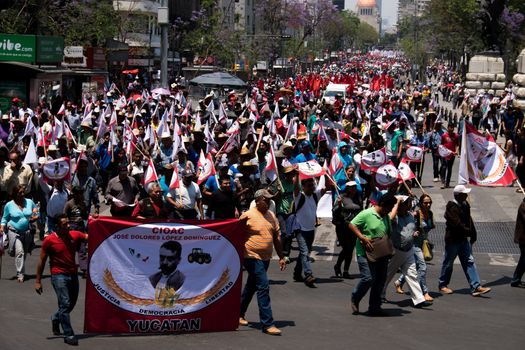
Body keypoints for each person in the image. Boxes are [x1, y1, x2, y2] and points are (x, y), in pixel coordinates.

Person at [35, 214, 88, 346]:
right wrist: (38, 281)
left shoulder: (74, 235)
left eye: (68, 223)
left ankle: (56, 317)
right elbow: (42, 260)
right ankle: (69, 334)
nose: (68, 226)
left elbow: (90, 237)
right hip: (58, 276)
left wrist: (98, 221)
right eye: (64, 224)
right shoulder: (50, 240)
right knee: (65, 303)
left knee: (71, 303)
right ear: (57, 227)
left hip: (73, 274)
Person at [239, 189, 286, 335]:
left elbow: (277, 237)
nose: (268, 202)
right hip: (251, 256)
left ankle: (238, 314)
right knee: (263, 286)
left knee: (251, 287)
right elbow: (235, 234)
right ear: (257, 200)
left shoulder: (271, 215)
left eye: (270, 200)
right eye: (265, 199)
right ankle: (267, 324)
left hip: (266, 258)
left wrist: (282, 256)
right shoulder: (247, 215)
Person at [438, 185, 491, 296]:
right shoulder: (451, 207)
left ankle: (476, 286)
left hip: (463, 240)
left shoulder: (465, 205)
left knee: (469, 261)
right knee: (448, 263)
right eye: (464, 194)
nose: (466, 195)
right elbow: (457, 224)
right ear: (458, 195)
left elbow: (469, 220)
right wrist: (468, 231)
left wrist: (473, 233)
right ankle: (442, 285)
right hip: (453, 240)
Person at [349, 194, 397, 316]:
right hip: (365, 252)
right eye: (389, 207)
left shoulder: (385, 216)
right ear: (382, 205)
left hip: (382, 253)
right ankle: (355, 297)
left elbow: (388, 233)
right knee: (368, 278)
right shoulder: (366, 214)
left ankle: (374, 307)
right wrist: (362, 238)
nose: (390, 210)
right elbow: (352, 224)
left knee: (380, 281)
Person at [382, 196, 431, 308]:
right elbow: (390, 219)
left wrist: (413, 234)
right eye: (405, 203)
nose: (408, 205)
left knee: (412, 274)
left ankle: (419, 299)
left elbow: (411, 228)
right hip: (396, 251)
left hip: (409, 250)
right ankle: (380, 294)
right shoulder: (395, 217)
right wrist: (397, 202)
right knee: (387, 275)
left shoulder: (410, 215)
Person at [395, 194, 434, 301]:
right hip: (414, 244)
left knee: (415, 266)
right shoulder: (416, 214)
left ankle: (399, 282)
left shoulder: (430, 214)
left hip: (423, 243)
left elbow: (430, 227)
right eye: (425, 203)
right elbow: (408, 226)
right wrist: (414, 232)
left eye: (430, 202)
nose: (428, 204)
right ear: (420, 204)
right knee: (422, 267)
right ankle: (424, 292)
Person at [292, 174, 327, 287]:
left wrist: (325, 174)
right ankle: (308, 275)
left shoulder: (315, 196)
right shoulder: (299, 197)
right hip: (300, 230)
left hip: (311, 230)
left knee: (303, 253)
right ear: (303, 187)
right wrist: (297, 175)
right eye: (309, 186)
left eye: (312, 185)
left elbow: (326, 188)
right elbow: (295, 187)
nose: (312, 188)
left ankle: (297, 274)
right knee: (304, 252)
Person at [0, 185, 38, 282]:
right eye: (20, 193)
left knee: (24, 252)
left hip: (27, 231)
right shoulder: (9, 205)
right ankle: (20, 274)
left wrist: (35, 215)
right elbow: (4, 218)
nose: (22, 194)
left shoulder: (29, 202)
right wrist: (2, 227)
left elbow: (35, 211)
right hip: (14, 231)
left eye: (23, 192)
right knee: (19, 251)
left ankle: (21, 269)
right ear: (15, 194)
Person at [332, 181, 362, 279]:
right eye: (351, 187)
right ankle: (337, 265)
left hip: (354, 226)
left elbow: (361, 210)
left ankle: (345, 270)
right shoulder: (341, 197)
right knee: (346, 248)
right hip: (342, 226)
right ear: (347, 188)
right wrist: (340, 205)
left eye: (355, 187)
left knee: (350, 249)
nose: (353, 189)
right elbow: (334, 211)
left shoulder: (358, 197)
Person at [440, 123, 458, 189]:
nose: (451, 129)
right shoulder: (444, 135)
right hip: (444, 154)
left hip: (452, 154)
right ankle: (443, 182)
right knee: (444, 167)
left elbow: (457, 144)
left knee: (449, 169)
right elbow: (441, 145)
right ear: (448, 128)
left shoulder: (456, 136)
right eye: (450, 127)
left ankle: (448, 183)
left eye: (452, 127)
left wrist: (456, 151)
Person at [512, 198, 525, 288]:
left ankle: (516, 279)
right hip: (523, 238)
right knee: (524, 260)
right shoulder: (523, 206)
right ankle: (515, 279)